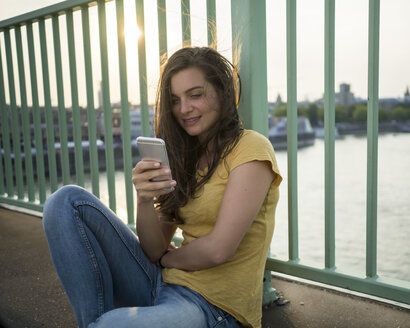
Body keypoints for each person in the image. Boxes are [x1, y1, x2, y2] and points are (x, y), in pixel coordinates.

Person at [43, 46, 282, 328]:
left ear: (223, 92)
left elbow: (219, 249)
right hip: (160, 283)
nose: (183, 109)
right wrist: (144, 199)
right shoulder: (185, 156)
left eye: (195, 95)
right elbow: (154, 250)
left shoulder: (251, 148)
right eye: (175, 100)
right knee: (66, 201)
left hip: (214, 307)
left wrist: (170, 259)